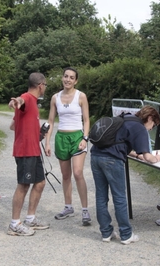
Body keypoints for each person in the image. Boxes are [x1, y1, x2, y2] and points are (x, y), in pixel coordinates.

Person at [91, 106, 160, 244]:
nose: (151, 128)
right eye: (153, 125)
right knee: (119, 197)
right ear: (150, 118)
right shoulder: (140, 127)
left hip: (96, 156)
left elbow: (118, 142)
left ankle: (106, 232)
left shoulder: (124, 119)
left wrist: (136, 154)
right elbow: (148, 157)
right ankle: (126, 234)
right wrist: (157, 158)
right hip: (112, 160)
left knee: (101, 196)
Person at [44, 67, 91, 226]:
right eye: (66, 76)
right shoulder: (55, 97)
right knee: (65, 175)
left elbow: (86, 120)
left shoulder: (81, 96)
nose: (68, 80)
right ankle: (68, 206)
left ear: (75, 81)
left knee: (78, 173)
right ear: (62, 78)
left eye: (71, 77)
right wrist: (47, 142)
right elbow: (50, 121)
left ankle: (85, 210)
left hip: (77, 136)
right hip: (61, 138)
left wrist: (85, 138)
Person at [7, 72, 49, 236]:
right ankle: (14, 224)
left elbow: (12, 126)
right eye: (45, 85)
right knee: (23, 185)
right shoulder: (28, 98)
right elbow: (21, 100)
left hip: (33, 149)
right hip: (25, 151)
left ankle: (30, 218)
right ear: (40, 85)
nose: (45, 88)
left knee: (40, 183)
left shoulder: (33, 104)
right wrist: (15, 101)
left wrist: (36, 133)